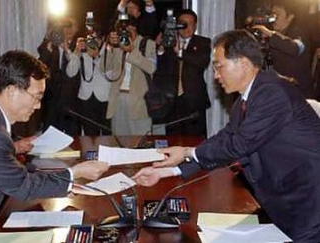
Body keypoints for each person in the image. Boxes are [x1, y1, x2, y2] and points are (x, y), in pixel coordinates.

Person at [133, 30, 320, 242]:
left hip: (309, 202)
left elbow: (238, 145)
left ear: (243, 63)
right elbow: (225, 138)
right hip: (286, 201)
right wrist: (168, 171)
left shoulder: (272, 92)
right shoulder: (245, 100)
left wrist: (186, 151)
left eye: (219, 66)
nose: (216, 75)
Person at [0, 50, 109, 242]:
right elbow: (22, 186)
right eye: (36, 97)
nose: (37, 106)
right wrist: (74, 173)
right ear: (12, 90)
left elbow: (11, 169)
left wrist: (60, 175)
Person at [157, 9, 211, 136]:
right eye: (182, 23)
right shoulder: (170, 42)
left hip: (194, 101)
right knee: (173, 138)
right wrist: (160, 48)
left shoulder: (203, 42)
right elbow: (160, 67)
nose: (185, 27)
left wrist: (180, 51)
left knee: (195, 139)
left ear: (195, 25)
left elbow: (202, 62)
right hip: (172, 102)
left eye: (189, 23)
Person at [251, 0, 314, 98]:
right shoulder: (274, 36)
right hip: (281, 92)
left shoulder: (299, 32)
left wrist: (269, 33)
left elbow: (295, 48)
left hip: (300, 95)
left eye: (277, 15)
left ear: (290, 17)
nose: (273, 19)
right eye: (272, 14)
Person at [105, 16, 157, 135]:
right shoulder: (117, 46)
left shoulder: (148, 44)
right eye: (121, 30)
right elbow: (105, 68)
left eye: (128, 30)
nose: (125, 33)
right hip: (118, 99)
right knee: (119, 142)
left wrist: (132, 50)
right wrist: (109, 47)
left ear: (134, 28)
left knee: (140, 142)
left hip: (139, 101)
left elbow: (151, 68)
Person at [38, 17, 81, 135]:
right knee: (49, 133)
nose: (69, 30)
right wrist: (50, 45)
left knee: (71, 136)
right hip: (52, 99)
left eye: (72, 27)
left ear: (77, 29)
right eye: (66, 27)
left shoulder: (79, 45)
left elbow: (73, 71)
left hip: (71, 100)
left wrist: (67, 50)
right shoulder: (50, 44)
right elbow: (41, 64)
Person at [66, 30, 112, 135]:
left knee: (106, 133)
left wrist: (96, 56)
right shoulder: (84, 52)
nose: (92, 42)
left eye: (95, 39)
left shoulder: (110, 51)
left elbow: (109, 74)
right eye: (90, 39)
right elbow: (71, 73)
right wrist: (77, 52)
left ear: (102, 39)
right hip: (86, 98)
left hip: (104, 99)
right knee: (89, 134)